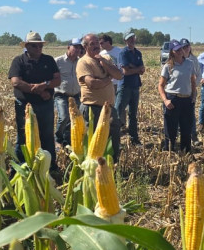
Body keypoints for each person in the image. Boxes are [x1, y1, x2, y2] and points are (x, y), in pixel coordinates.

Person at [8, 32, 61, 172]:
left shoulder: (49, 60)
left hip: (45, 104)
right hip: (25, 105)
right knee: (24, 136)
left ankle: (50, 167)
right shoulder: (18, 61)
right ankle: (20, 168)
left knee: (47, 135)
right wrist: (38, 90)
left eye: (40, 45)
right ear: (26, 46)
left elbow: (57, 80)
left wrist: (45, 85)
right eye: (34, 46)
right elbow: (15, 82)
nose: (38, 48)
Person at [77, 33, 123, 161]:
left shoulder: (104, 59)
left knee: (112, 140)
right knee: (92, 143)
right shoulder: (83, 62)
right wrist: (109, 77)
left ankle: (111, 167)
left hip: (108, 108)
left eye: (97, 42)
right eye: (92, 44)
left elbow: (119, 75)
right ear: (85, 47)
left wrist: (103, 61)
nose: (96, 46)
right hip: (92, 108)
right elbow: (93, 84)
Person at [158, 40, 197, 152]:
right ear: (172, 52)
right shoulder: (168, 66)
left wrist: (193, 97)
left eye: (181, 49)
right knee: (171, 129)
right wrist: (165, 100)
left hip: (186, 100)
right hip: (173, 99)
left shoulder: (189, 64)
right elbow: (161, 85)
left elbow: (193, 82)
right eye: (178, 50)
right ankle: (169, 151)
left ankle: (186, 152)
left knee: (186, 129)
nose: (181, 51)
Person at [116, 32, 145, 146]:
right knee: (118, 112)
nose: (132, 40)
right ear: (125, 40)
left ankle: (134, 139)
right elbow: (125, 72)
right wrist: (136, 68)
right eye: (129, 39)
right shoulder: (123, 53)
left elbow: (142, 70)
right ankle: (115, 139)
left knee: (133, 114)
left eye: (133, 38)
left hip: (135, 86)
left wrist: (133, 67)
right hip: (124, 86)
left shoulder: (138, 53)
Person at [54, 38, 82, 147]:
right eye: (75, 47)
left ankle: (68, 139)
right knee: (64, 117)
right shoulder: (58, 61)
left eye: (79, 47)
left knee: (73, 118)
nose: (77, 49)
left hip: (76, 95)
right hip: (61, 94)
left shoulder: (81, 62)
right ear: (68, 47)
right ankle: (58, 138)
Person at [181, 38, 201, 143]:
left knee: (191, 114)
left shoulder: (194, 60)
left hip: (191, 91)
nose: (185, 49)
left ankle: (193, 136)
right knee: (180, 114)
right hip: (180, 92)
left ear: (190, 47)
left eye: (187, 46)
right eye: (183, 47)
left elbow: (198, 75)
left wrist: (193, 86)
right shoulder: (177, 59)